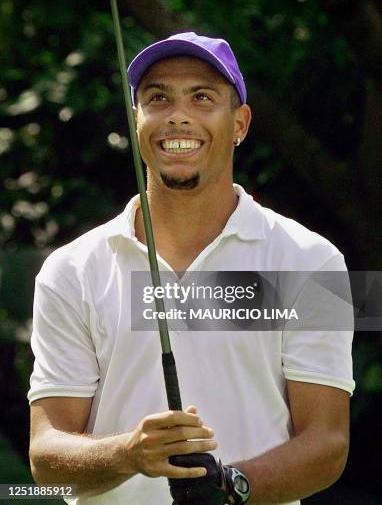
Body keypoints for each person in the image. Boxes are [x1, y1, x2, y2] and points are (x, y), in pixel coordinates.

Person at [28, 32, 355, 505]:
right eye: (157, 98)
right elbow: (45, 457)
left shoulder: (313, 261)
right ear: (135, 118)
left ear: (240, 123)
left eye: (202, 97)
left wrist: (231, 487)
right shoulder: (69, 271)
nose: (178, 114)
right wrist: (128, 454)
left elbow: (328, 444)